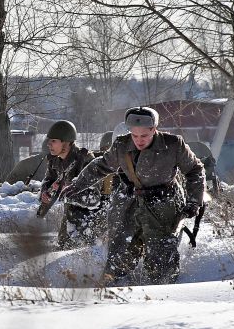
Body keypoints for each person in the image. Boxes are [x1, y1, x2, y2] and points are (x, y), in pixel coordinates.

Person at [62, 106, 206, 285]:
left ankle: (163, 294)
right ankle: (113, 294)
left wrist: (194, 201)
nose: (139, 140)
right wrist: (77, 185)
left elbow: (195, 170)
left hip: (163, 205)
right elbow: (102, 166)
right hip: (129, 203)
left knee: (161, 258)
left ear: (154, 129)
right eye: (134, 135)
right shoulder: (122, 145)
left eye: (144, 136)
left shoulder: (173, 144)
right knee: (119, 254)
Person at [38, 120, 101, 249]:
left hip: (89, 220)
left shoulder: (85, 160)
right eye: (49, 140)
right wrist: (45, 191)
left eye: (53, 141)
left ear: (66, 142)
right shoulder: (54, 160)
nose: (48, 144)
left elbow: (94, 198)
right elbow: (48, 179)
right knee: (62, 247)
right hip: (70, 216)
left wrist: (66, 191)